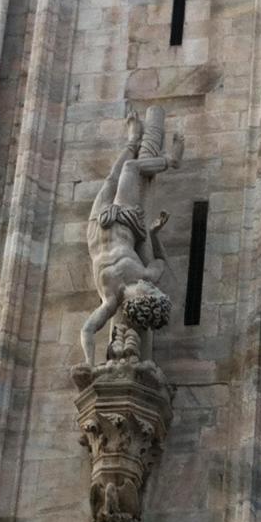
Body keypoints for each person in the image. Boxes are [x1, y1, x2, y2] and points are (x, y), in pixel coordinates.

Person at [81, 110, 184, 365]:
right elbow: (160, 260)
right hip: (124, 225)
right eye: (151, 289)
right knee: (127, 169)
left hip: (97, 230)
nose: (149, 286)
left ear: (138, 299)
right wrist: (154, 233)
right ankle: (168, 159)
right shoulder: (145, 276)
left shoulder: (111, 300)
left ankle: (134, 140)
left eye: (147, 292)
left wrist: (88, 363)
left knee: (109, 182)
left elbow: (87, 330)